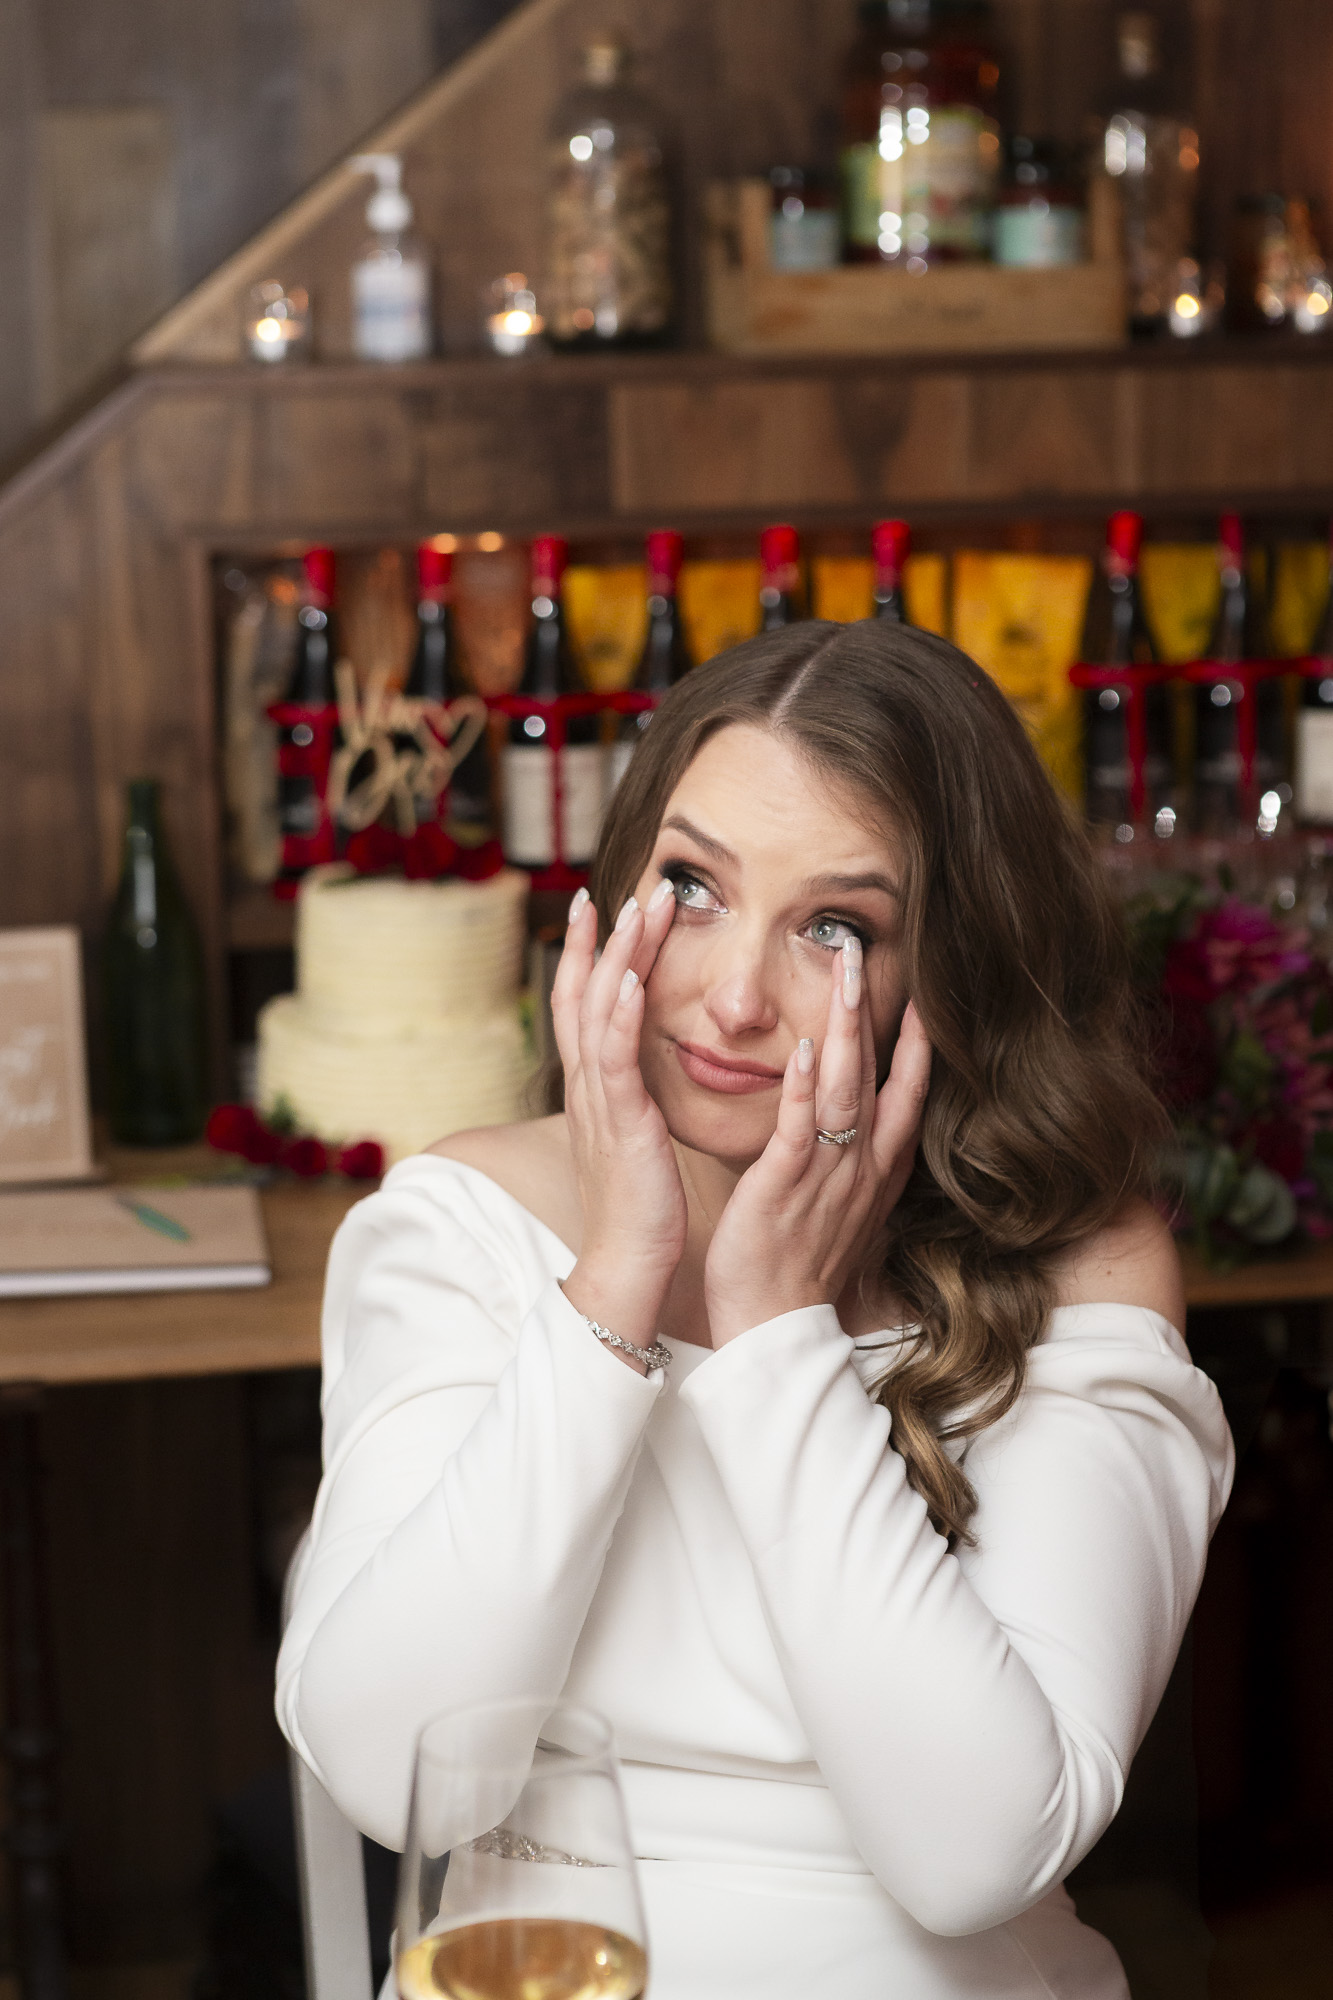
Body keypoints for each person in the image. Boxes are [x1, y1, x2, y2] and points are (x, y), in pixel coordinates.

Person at [277, 619, 1233, 2000]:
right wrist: (610, 1294)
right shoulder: (462, 1224)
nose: (731, 1001)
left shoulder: (1078, 1267)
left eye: (835, 928)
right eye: (694, 887)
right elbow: (386, 1769)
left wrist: (779, 1339)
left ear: (948, 974)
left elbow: (974, 1853)